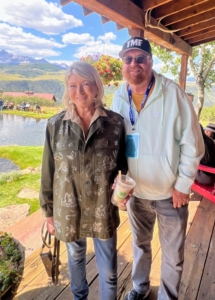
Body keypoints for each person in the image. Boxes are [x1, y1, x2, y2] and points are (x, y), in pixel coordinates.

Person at [111, 37, 205, 300]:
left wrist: (183, 185)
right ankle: (140, 288)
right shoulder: (119, 94)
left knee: (173, 255)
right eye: (128, 59)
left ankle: (167, 297)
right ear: (123, 63)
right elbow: (115, 143)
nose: (134, 64)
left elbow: (193, 144)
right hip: (135, 193)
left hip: (169, 194)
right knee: (139, 246)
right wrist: (118, 181)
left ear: (150, 62)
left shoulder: (172, 93)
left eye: (140, 58)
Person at [39, 61, 128, 300]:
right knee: (75, 258)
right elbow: (48, 172)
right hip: (69, 209)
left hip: (103, 208)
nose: (79, 91)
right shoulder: (55, 125)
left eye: (85, 84)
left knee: (108, 271)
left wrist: (124, 188)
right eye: (73, 85)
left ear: (97, 87)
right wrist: (49, 213)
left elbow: (125, 167)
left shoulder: (116, 124)